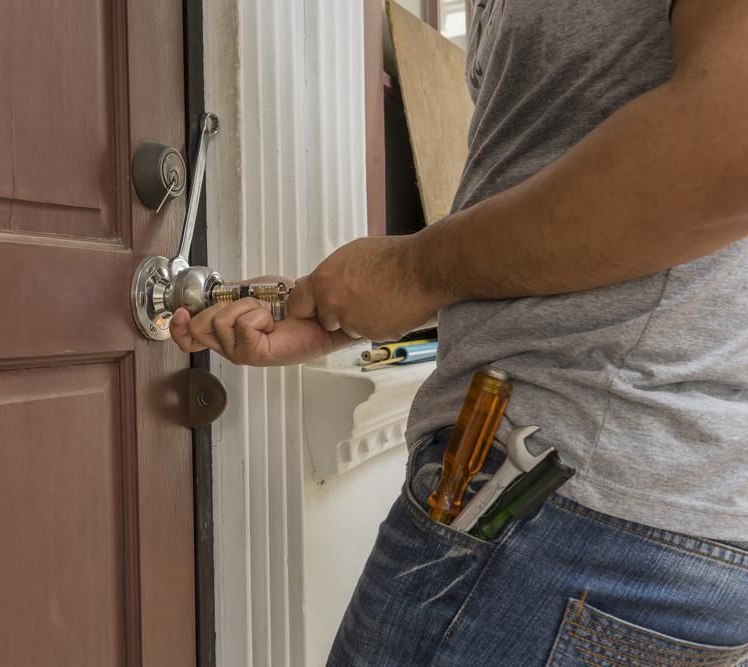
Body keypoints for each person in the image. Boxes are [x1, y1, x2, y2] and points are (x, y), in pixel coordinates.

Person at [171, 0, 748, 664]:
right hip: (612, 517)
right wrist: (349, 309)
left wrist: (413, 269)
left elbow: (728, 142)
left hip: (558, 511)